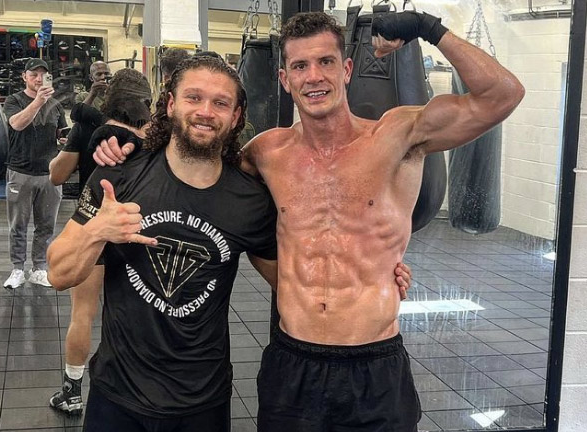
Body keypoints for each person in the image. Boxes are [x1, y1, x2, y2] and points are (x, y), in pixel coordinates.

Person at [94, 10, 524, 431]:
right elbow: (200, 165)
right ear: (284, 79)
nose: (313, 76)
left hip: (375, 364)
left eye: (326, 62)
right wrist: (130, 151)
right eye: (300, 65)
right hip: (293, 363)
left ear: (348, 68)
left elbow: (502, 94)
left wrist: (429, 29)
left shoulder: (399, 136)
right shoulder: (267, 152)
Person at [47, 55, 414, 431]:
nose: (205, 112)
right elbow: (59, 273)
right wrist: (97, 231)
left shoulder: (249, 200)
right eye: (194, 98)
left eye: (220, 103)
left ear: (236, 116)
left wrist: (377, 275)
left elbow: (299, 281)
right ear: (171, 104)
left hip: (202, 401)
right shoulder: (121, 175)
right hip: (118, 395)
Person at [47, 68, 152, 415]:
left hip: (96, 219)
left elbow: (57, 176)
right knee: (142, 312)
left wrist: (85, 140)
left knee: (84, 313)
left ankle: (72, 391)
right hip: (139, 230)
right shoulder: (156, 136)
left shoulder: (91, 128)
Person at [2, 58, 67, 289]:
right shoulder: (14, 100)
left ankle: (39, 268)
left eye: (43, 75)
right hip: (20, 171)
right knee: (18, 224)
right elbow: (17, 124)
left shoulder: (56, 105)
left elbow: (61, 132)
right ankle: (18, 268)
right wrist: (38, 101)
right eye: (34, 74)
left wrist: (65, 138)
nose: (38, 79)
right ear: (25, 77)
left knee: (46, 225)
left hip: (49, 173)